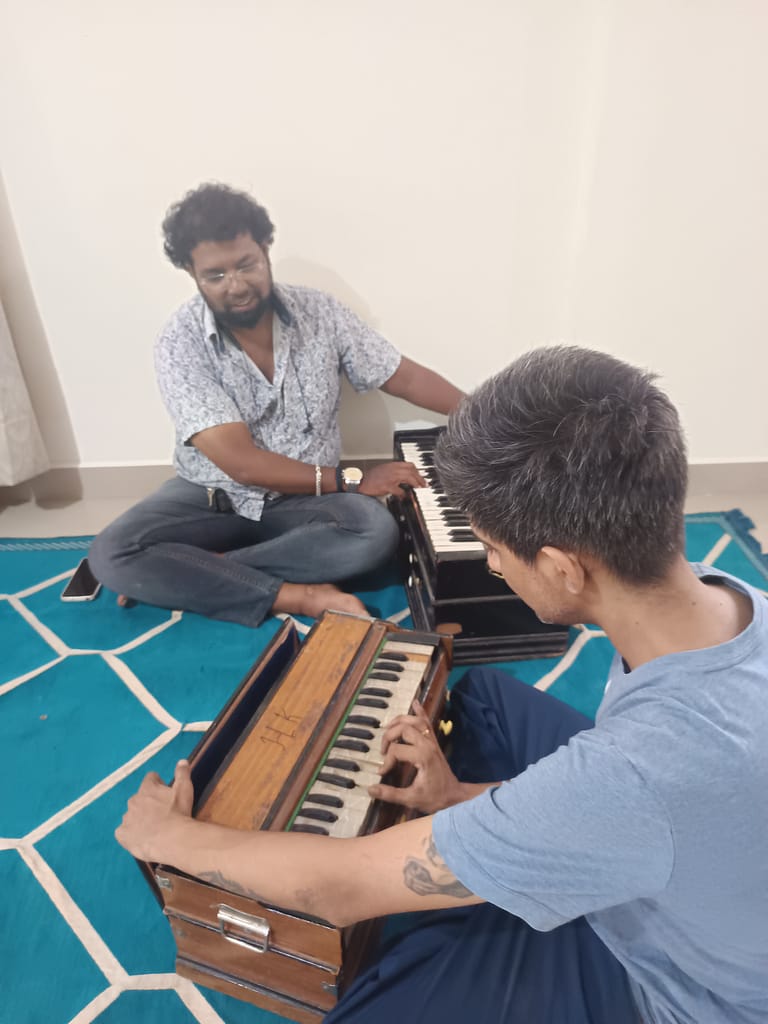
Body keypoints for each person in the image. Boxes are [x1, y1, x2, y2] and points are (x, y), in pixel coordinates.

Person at [115, 346, 768, 1024]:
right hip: (680, 849)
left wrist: (171, 840)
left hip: (672, 986)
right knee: (484, 701)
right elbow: (645, 803)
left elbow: (340, 889)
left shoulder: (631, 774)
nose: (491, 564)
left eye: (492, 549)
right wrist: (457, 797)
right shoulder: (736, 601)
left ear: (563, 568)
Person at [88, 183, 463, 626]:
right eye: (216, 275)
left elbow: (403, 376)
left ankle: (202, 571)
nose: (237, 285)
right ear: (191, 273)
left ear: (265, 249)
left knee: (375, 532)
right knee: (112, 553)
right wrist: (354, 477)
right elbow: (242, 465)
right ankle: (295, 595)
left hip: (306, 500)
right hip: (211, 496)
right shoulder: (179, 341)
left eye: (246, 264)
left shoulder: (320, 312)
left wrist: (483, 413)